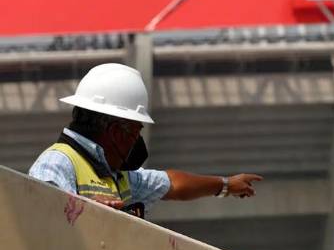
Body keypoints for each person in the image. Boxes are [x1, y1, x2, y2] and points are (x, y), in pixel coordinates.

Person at [29, 63, 262, 218]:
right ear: (117, 132)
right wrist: (86, 209)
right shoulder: (56, 163)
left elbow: (173, 184)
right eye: (135, 132)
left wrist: (226, 184)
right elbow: (40, 215)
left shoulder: (117, 176)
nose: (137, 142)